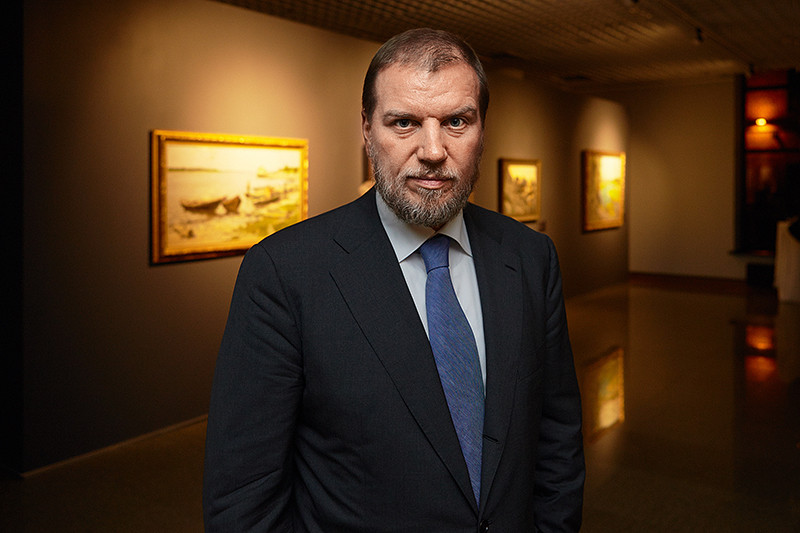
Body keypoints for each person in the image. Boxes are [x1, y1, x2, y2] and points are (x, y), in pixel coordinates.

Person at [203, 28, 585, 532]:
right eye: (404, 122)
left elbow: (557, 439)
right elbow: (244, 495)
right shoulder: (285, 273)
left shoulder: (529, 257)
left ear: (482, 129)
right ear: (366, 129)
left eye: (456, 121)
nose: (433, 149)